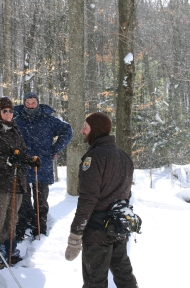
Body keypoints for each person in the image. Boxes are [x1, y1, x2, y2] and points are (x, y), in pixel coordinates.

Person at [65, 112, 138, 288]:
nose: (82, 131)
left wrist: (75, 235)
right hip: (119, 227)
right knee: (124, 276)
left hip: (98, 231)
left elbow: (88, 199)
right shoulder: (124, 156)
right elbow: (124, 195)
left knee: (94, 282)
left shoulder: (94, 157)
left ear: (95, 130)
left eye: (86, 127)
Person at [0, 97, 40, 265]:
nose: (9, 114)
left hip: (16, 182)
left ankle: (10, 249)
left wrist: (30, 160)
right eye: (5, 111)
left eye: (11, 111)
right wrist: (6, 160)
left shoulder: (15, 129)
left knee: (12, 219)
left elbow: (20, 154)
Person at [14, 92, 72, 240]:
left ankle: (40, 230)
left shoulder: (49, 120)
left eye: (33, 103)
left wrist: (55, 149)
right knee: (24, 202)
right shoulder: (16, 119)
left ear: (38, 103)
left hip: (43, 164)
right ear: (24, 103)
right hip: (23, 165)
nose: (31, 105)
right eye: (28, 103)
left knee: (41, 202)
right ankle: (22, 229)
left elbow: (67, 131)